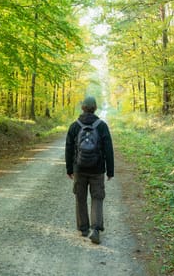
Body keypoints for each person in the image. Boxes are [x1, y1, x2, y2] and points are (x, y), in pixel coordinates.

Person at [65, 96, 114, 244]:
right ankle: (96, 230)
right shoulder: (102, 126)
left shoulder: (75, 126)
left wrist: (69, 168)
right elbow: (108, 149)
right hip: (97, 169)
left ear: (83, 108)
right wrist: (110, 171)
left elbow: (68, 148)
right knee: (97, 198)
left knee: (80, 198)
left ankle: (83, 228)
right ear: (95, 108)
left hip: (79, 169)